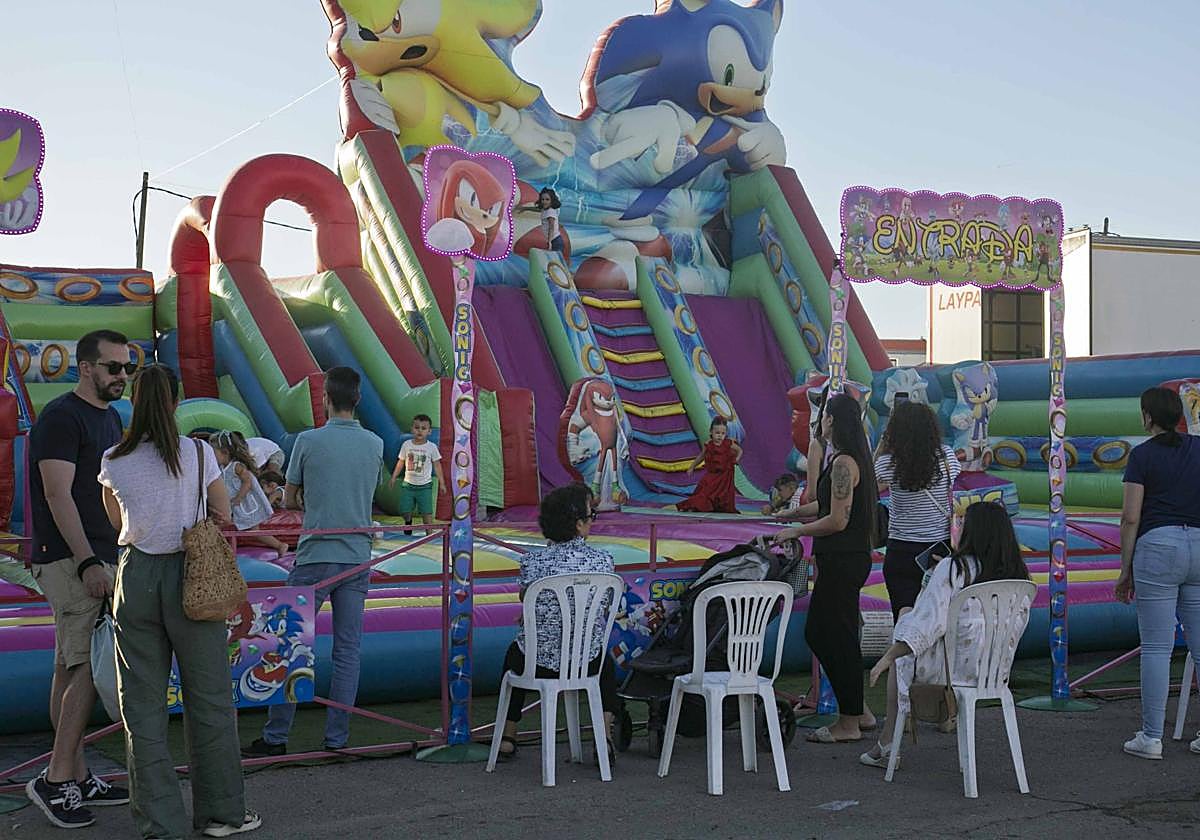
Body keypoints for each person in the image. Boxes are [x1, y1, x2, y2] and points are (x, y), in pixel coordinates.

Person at [97, 365, 260, 838]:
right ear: (175, 402)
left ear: (133, 400)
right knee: (209, 699)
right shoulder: (198, 452)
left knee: (142, 707)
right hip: (194, 576)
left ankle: (159, 823)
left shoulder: (114, 459)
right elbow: (222, 512)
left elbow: (117, 523)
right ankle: (221, 814)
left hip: (136, 578)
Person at [244, 366, 383, 756]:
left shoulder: (307, 440)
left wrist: (309, 499)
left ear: (325, 399)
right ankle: (337, 738)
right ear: (358, 399)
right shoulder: (375, 443)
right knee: (347, 651)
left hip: (316, 554)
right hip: (357, 556)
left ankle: (276, 737)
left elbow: (289, 499)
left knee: (289, 643)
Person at [26, 329, 131, 829]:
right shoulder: (61, 417)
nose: (122, 375)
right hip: (71, 557)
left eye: (128, 367)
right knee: (88, 665)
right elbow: (56, 493)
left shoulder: (109, 418)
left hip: (96, 553)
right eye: (113, 367)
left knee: (70, 668)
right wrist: (88, 561)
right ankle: (56, 777)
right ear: (86, 367)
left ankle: (76, 772)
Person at [863, 501, 1030, 769]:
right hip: (994, 670)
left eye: (963, 523)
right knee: (911, 621)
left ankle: (888, 742)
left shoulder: (953, 569)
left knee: (905, 622)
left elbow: (927, 624)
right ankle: (904, 735)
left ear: (973, 532)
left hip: (950, 672)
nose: (958, 526)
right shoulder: (1019, 578)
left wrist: (888, 656)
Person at [775, 393, 878, 743]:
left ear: (831, 419)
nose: (820, 422)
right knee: (831, 633)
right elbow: (826, 504)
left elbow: (837, 519)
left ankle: (849, 721)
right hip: (844, 558)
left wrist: (798, 531)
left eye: (822, 416)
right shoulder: (848, 459)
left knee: (829, 634)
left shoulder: (844, 463)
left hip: (843, 559)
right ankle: (858, 710)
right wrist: (793, 514)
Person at [495, 484, 617, 761]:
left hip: (537, 663)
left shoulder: (533, 561)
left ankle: (508, 734)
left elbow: (526, 598)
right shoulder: (603, 561)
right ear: (579, 525)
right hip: (586, 662)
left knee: (515, 655)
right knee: (605, 663)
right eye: (591, 515)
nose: (593, 520)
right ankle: (604, 735)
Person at [1114, 387, 1200, 760]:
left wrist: (1125, 569)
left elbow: (1131, 516)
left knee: (1156, 647)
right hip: (1198, 544)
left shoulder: (1142, 455)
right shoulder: (1198, 449)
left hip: (1158, 548)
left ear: (1147, 417)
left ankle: (1151, 737)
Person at [875, 401, 961, 620]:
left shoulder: (888, 463)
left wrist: (883, 443)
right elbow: (953, 478)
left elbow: (870, 481)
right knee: (938, 614)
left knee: (904, 614)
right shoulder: (947, 457)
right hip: (939, 548)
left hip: (901, 549)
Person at [210, 431, 288, 557]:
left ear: (225, 452)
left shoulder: (236, 466)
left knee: (253, 530)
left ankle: (280, 545)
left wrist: (239, 498)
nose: (211, 456)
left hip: (244, 504)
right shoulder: (221, 468)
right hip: (233, 504)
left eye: (213, 453)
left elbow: (248, 481)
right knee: (222, 523)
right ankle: (215, 549)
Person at [388, 414, 446, 534]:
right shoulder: (406, 445)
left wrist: (442, 482)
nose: (420, 431)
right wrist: (393, 477)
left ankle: (429, 533)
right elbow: (401, 461)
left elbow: (437, 465)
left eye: (423, 428)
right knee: (404, 510)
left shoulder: (431, 447)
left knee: (426, 512)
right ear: (412, 429)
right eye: (417, 427)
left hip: (425, 486)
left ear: (429, 431)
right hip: (408, 485)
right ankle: (408, 522)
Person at [678, 417, 741, 513]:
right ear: (711, 432)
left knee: (721, 494)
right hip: (713, 474)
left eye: (723, 433)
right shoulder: (708, 445)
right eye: (717, 433)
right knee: (705, 488)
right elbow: (701, 456)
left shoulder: (728, 443)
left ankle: (713, 506)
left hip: (725, 475)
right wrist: (692, 467)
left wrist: (736, 460)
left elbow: (740, 451)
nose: (720, 436)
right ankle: (696, 505)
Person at [520, 187, 563, 252]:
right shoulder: (545, 209)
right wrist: (525, 208)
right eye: (543, 199)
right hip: (554, 239)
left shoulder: (550, 212)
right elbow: (537, 209)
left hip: (555, 240)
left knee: (555, 256)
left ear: (552, 201)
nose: (544, 201)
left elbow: (551, 227)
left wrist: (549, 241)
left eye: (547, 199)